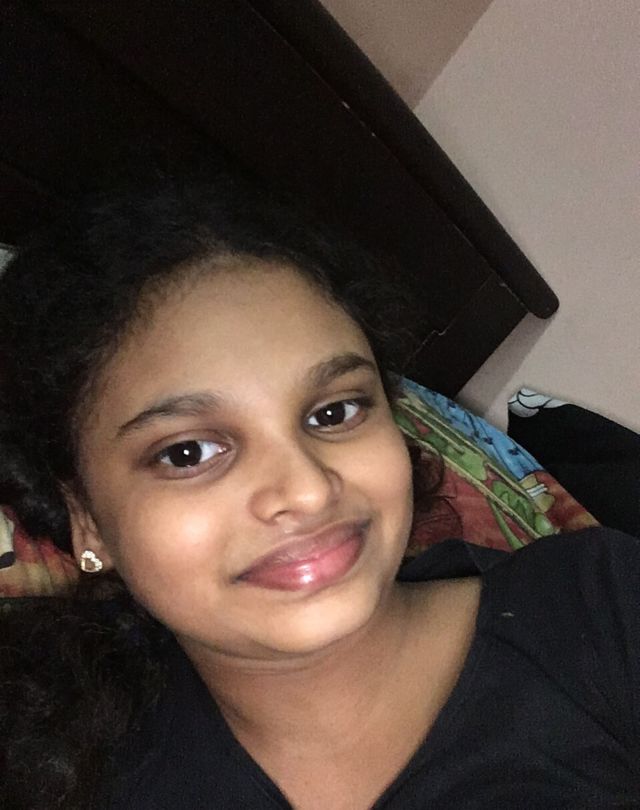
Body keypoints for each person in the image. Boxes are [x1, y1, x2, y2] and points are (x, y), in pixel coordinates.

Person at [0, 176, 638, 810]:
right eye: (188, 452)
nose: (307, 489)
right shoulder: (63, 769)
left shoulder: (600, 608)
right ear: (86, 519)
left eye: (334, 412)